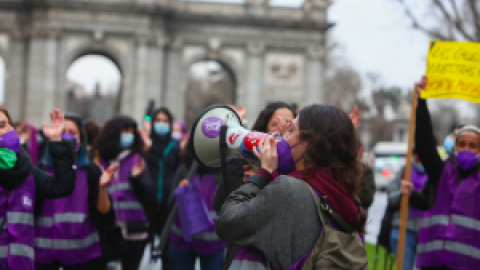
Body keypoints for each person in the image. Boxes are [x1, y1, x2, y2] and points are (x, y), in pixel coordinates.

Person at [216, 104, 367, 270]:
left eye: (290, 130)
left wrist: (262, 176)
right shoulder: (347, 196)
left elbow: (227, 223)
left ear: (309, 145)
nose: (281, 137)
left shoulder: (288, 190)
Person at [400, 76, 480, 270]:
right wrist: (422, 101)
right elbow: (425, 142)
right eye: (461, 144)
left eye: (473, 145)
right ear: (454, 148)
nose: (467, 149)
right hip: (434, 263)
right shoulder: (442, 172)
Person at [34, 113, 118, 270]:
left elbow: (104, 216)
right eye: (62, 131)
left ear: (81, 139)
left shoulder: (92, 171)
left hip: (82, 255)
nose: (66, 136)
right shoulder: (39, 170)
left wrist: (102, 188)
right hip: (43, 255)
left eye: (72, 133)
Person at [0, 108, 76, 270]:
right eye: (0, 126)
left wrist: (56, 140)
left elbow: (61, 187)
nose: (7, 130)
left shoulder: (25, 170)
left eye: (7, 124)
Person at [96, 115, 152, 270]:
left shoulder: (137, 158)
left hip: (135, 227)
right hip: (108, 229)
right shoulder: (98, 160)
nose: (128, 135)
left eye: (131, 131)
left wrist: (137, 178)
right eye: (125, 131)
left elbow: (148, 194)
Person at [168, 139, 226, 270]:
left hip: (214, 244)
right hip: (182, 241)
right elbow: (170, 204)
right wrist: (179, 193)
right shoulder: (183, 171)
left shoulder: (223, 173)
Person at [145, 107, 181, 270]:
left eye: (165, 121)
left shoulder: (175, 146)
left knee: (167, 252)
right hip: (146, 203)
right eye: (157, 121)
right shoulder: (145, 145)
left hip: (168, 204)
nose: (161, 124)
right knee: (140, 250)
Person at [387, 148, 428, 270]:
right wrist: (402, 194)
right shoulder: (404, 172)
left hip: (425, 231)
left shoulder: (434, 174)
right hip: (403, 229)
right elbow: (391, 197)